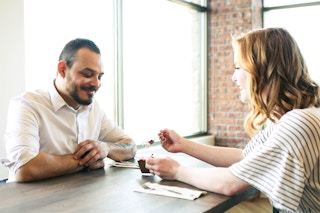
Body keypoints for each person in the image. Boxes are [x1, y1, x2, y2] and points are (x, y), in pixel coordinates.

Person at [145, 28, 320, 212]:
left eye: (238, 67)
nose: (233, 77)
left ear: (264, 69)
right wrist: (183, 145)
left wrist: (177, 171)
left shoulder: (299, 124)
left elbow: (230, 183)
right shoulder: (296, 117)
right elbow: (244, 157)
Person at [2, 38, 137, 182]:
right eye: (87, 74)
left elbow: (130, 146)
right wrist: (88, 160)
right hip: (31, 201)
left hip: (76, 198)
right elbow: (24, 168)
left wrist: (106, 149)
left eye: (99, 77)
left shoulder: (93, 108)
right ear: (62, 69)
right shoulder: (27, 105)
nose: (96, 84)